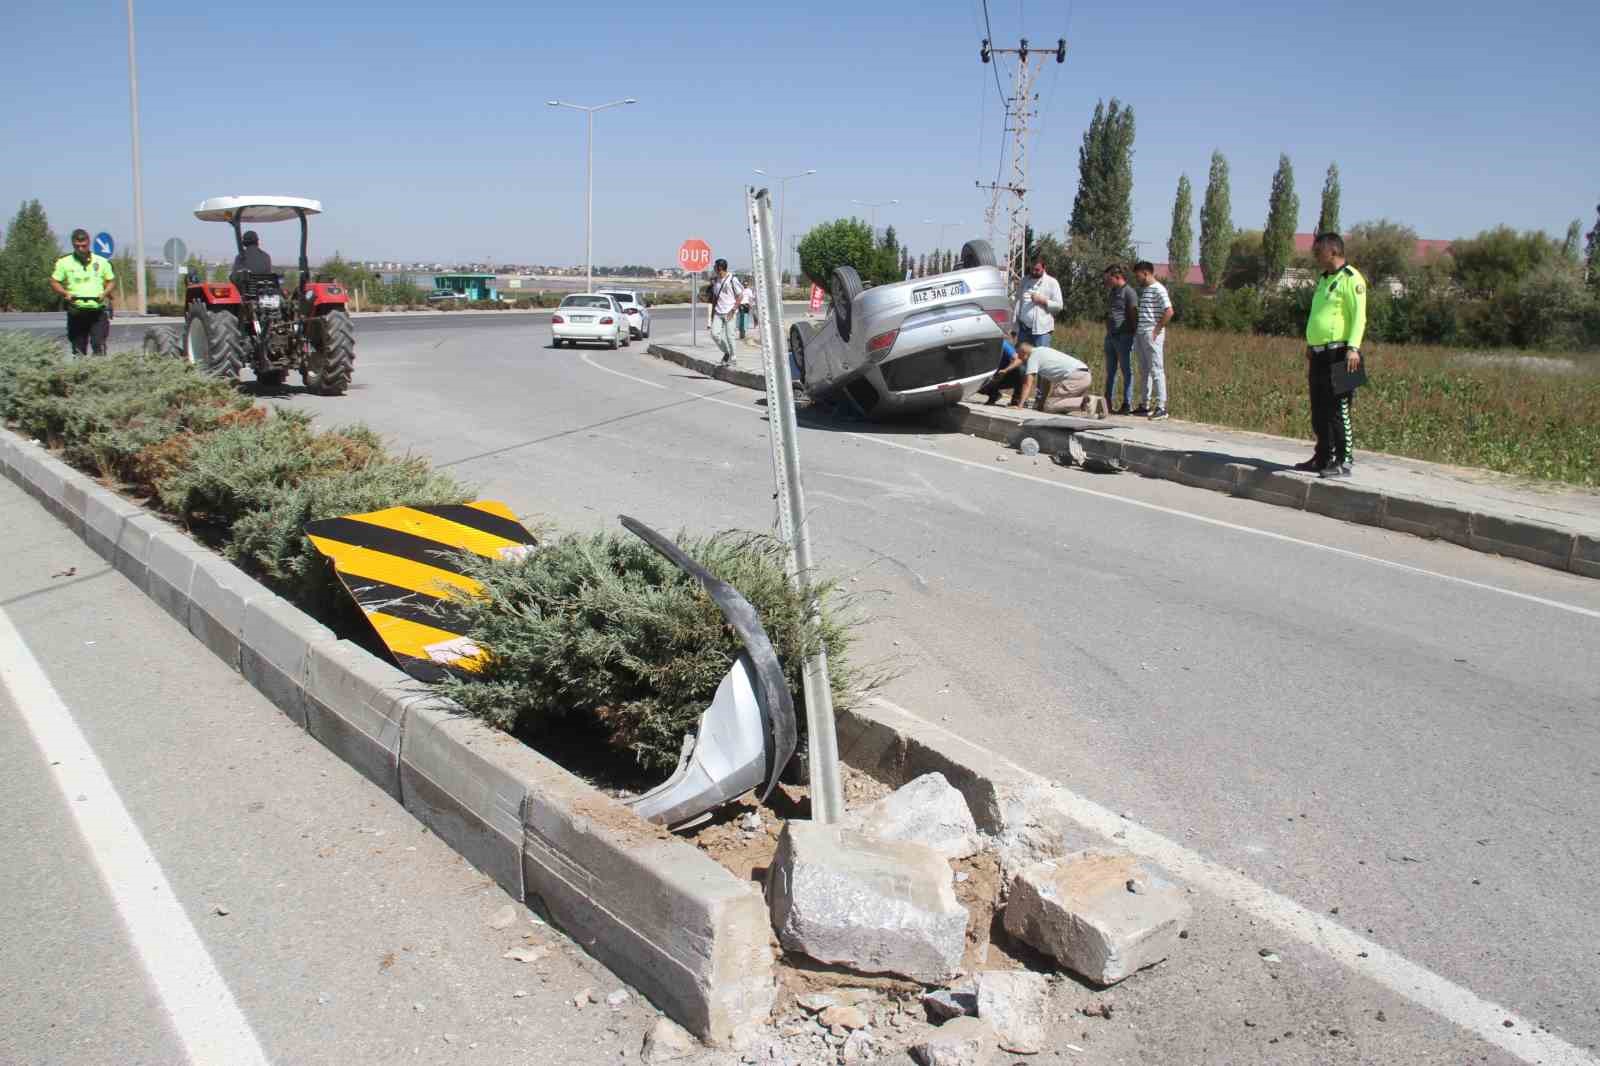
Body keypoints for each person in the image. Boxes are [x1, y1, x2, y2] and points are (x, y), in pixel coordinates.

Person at [1298, 232, 1368, 478]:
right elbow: (1319, 315)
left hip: (1343, 353)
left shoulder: (1351, 278)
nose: (1316, 256)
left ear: (1333, 250)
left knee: (1339, 408)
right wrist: (1310, 342)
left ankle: (1344, 460)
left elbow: (1359, 316)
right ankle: (1323, 456)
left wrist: (1354, 348)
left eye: (1319, 251)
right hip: (1319, 354)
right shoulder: (1324, 279)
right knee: (1319, 408)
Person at [49, 229, 116, 356]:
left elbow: (111, 281)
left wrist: (105, 293)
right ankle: (82, 372)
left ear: (89, 242)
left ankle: (100, 371)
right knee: (79, 349)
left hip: (97, 311)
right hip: (76, 311)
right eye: (77, 246)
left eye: (83, 245)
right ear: (73, 244)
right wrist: (65, 293)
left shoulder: (101, 262)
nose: (80, 249)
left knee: (98, 344)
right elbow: (54, 281)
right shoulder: (64, 262)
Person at [1131, 260, 1172, 420]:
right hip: (1141, 333)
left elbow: (1169, 311)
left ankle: (1162, 407)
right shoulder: (1146, 290)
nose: (1137, 278)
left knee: (1156, 369)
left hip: (1151, 332)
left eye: (1138, 275)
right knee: (1144, 370)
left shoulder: (1159, 289)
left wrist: (1157, 329)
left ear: (1146, 273)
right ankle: (1144, 405)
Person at [1013, 339, 1092, 413]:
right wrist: (1040, 405)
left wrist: (1020, 406)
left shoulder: (1033, 357)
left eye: (1019, 354)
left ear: (1023, 351)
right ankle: (1091, 404)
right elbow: (1045, 384)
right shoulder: (1042, 350)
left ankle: (1086, 401)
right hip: (1085, 375)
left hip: (1075, 377)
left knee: (1049, 406)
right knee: (1060, 406)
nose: (1019, 358)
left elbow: (1027, 384)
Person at [1103, 264, 1138, 415]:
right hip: (1110, 336)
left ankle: (1127, 403)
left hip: (1123, 337)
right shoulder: (1112, 291)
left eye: (1108, 278)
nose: (1107, 281)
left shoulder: (1129, 292)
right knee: (1110, 371)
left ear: (1117, 277)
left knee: (1126, 371)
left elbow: (1133, 314)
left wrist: (1133, 333)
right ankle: (1107, 402)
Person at [1014, 257, 1062, 348]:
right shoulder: (1025, 280)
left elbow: (1059, 306)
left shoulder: (1052, 282)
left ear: (1044, 268)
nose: (1034, 272)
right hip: (1023, 329)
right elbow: (1018, 302)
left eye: (1037, 270)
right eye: (1032, 269)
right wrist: (1014, 327)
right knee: (1021, 359)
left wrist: (1042, 301)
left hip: (1042, 331)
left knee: (1040, 359)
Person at [707, 259, 744, 365]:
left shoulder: (732, 279)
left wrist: (733, 310)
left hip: (729, 312)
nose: (714, 268)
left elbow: (740, 295)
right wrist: (712, 314)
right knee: (714, 334)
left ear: (720, 268)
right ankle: (727, 352)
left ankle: (733, 357)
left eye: (715, 266)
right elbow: (715, 298)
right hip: (718, 312)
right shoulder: (716, 281)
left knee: (729, 336)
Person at [979, 335, 1023, 405]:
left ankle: (1016, 401)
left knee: (1021, 370)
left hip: (1007, 374)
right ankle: (994, 395)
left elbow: (1018, 360)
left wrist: (1005, 370)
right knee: (977, 383)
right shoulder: (980, 346)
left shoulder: (1003, 344)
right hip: (994, 374)